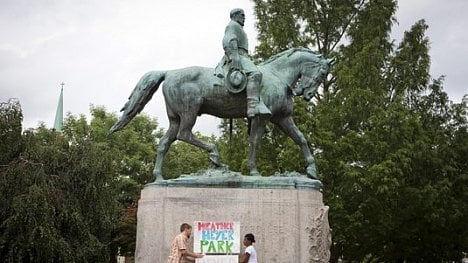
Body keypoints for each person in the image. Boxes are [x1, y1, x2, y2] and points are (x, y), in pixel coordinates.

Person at [222, 8, 271, 118]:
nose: (244, 17)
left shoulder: (238, 27)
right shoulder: (232, 25)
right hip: (238, 55)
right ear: (234, 15)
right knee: (255, 74)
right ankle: (253, 106)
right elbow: (228, 40)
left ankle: (257, 110)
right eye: (242, 15)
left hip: (243, 56)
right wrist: (234, 55)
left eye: (244, 15)